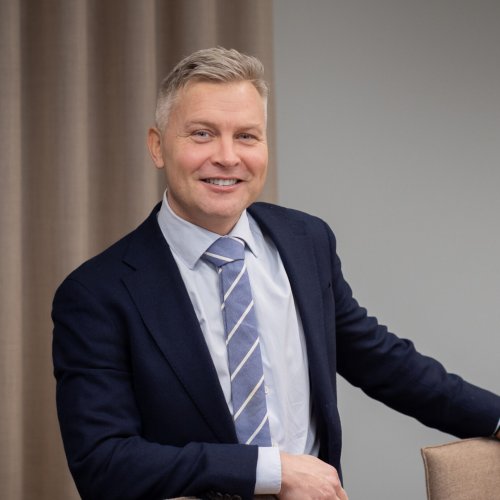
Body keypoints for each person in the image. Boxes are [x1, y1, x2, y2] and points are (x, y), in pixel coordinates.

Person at [52, 47, 500, 500]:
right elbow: (103, 462)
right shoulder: (96, 293)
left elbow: (382, 360)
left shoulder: (307, 242)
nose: (227, 157)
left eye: (247, 136)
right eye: (202, 134)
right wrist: (270, 471)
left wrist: (497, 417)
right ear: (157, 146)